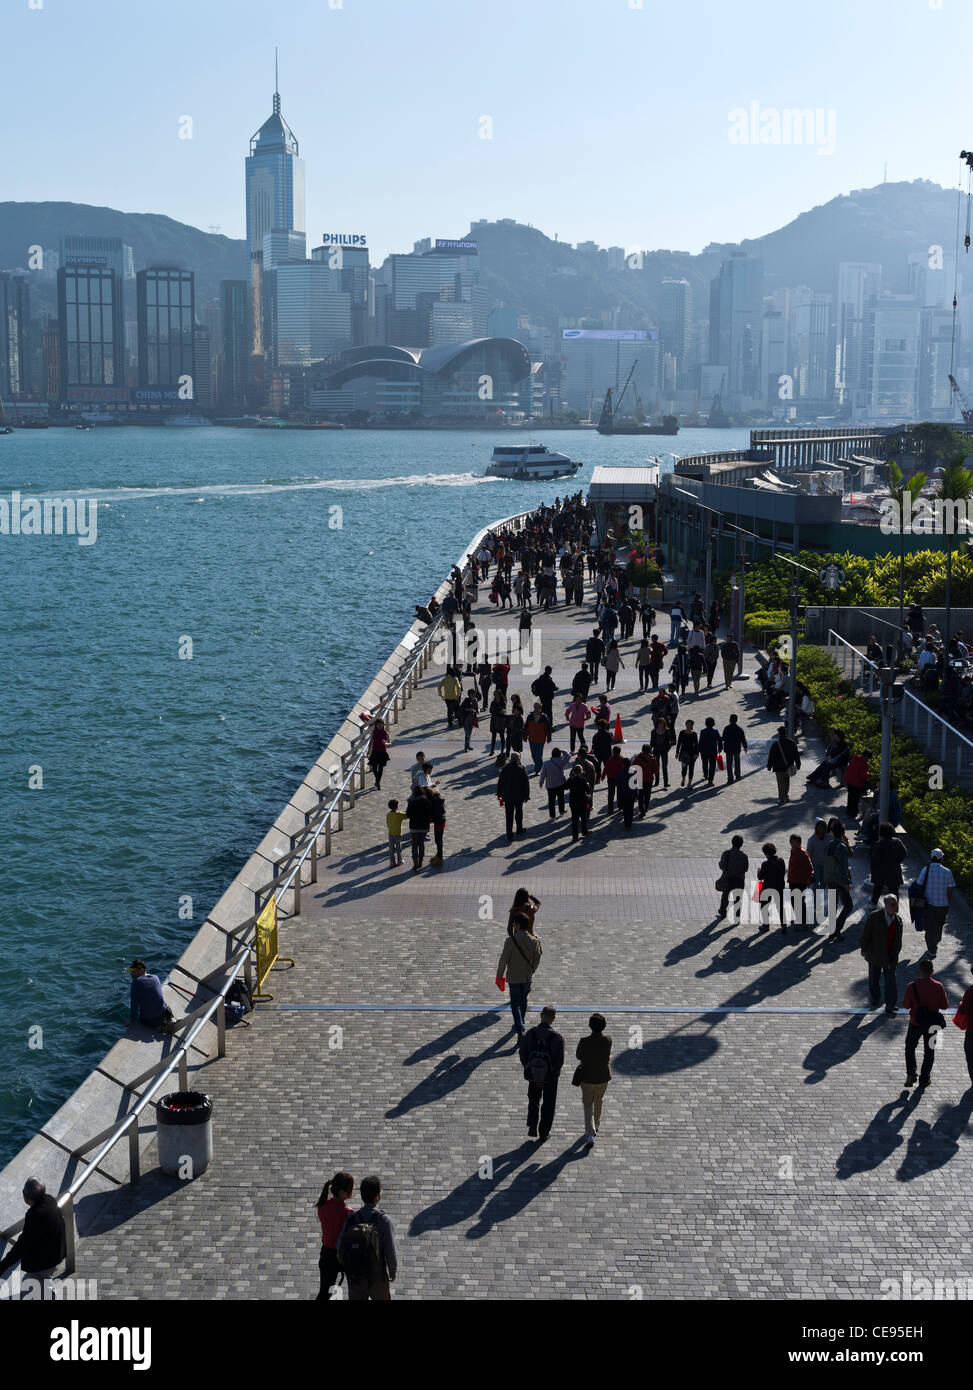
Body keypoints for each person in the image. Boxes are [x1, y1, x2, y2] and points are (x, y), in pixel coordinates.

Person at [0, 1179, 66, 1297]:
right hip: (57, 1251)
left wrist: (3, 1266)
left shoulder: (35, 1215)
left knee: (38, 1285)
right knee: (32, 1286)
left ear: (27, 1198)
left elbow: (22, 1245)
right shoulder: (50, 1200)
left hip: (45, 1261)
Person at [337, 1175, 397, 1301]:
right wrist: (392, 1270)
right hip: (377, 1276)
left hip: (356, 1277)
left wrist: (347, 1267)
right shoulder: (384, 1220)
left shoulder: (351, 1218)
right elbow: (390, 1250)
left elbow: (339, 1245)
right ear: (377, 1196)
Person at [519, 1005, 564, 1141]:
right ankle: (544, 1132)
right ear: (553, 1019)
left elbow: (523, 1053)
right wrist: (555, 1073)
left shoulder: (530, 1034)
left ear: (541, 1016)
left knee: (533, 1100)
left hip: (533, 1075)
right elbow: (559, 1060)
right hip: (550, 1077)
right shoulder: (557, 1038)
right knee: (548, 1104)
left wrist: (528, 1067)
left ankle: (532, 1125)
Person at [902, 960, 949, 1089]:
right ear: (932, 971)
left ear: (920, 971)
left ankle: (911, 1073)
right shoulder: (939, 986)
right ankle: (925, 1078)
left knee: (910, 1048)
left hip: (915, 1023)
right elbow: (944, 1006)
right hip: (933, 1025)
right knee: (930, 1051)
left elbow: (906, 1005)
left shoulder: (911, 986)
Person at [496, 911, 541, 1035]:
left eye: (514, 924)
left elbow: (503, 960)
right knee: (523, 1000)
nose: (514, 926)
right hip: (527, 977)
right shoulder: (534, 941)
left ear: (518, 925)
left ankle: (520, 1027)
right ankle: (522, 1021)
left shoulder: (510, 941)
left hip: (514, 978)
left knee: (514, 1004)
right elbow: (537, 958)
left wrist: (499, 976)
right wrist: (532, 969)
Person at [859, 894, 903, 1016]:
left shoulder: (898, 921)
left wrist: (895, 954)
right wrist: (864, 949)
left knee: (891, 981)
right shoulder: (874, 917)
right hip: (875, 954)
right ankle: (875, 998)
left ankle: (890, 1004)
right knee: (874, 978)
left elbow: (898, 941)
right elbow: (866, 934)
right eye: (893, 904)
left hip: (890, 956)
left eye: (897, 903)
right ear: (886, 905)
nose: (896, 906)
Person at [575, 1013, 612, 1148]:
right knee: (599, 1100)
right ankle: (596, 1123)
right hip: (603, 1077)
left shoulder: (584, 1041)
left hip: (587, 1077)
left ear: (590, 1026)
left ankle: (589, 1134)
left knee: (587, 1104)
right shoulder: (608, 1040)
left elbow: (578, 1055)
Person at [315, 1171, 354, 1301]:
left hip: (326, 1254)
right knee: (356, 1290)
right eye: (351, 1189)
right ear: (342, 1192)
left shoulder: (322, 1206)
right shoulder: (348, 1213)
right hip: (344, 1256)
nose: (353, 1191)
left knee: (324, 1293)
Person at [914, 847, 955, 960]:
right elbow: (950, 889)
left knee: (929, 927)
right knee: (939, 925)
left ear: (931, 858)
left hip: (928, 904)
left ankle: (931, 948)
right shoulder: (947, 872)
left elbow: (919, 883)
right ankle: (935, 943)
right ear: (941, 858)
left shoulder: (925, 870)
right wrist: (948, 902)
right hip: (943, 905)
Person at [823, 820, 853, 940]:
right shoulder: (841, 847)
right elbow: (842, 867)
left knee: (832, 905)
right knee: (848, 905)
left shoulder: (830, 844)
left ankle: (832, 930)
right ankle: (837, 929)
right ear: (843, 832)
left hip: (830, 879)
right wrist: (846, 883)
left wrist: (846, 843)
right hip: (839, 881)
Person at [868, 822, 907, 905]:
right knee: (894, 893)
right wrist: (897, 862)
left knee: (877, 889)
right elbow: (904, 852)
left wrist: (874, 873)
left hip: (881, 873)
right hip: (894, 872)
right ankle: (894, 910)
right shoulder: (897, 841)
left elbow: (874, 860)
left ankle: (873, 904)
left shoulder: (879, 844)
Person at [497, 751, 530, 841]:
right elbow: (526, 783)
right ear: (518, 759)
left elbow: (500, 782)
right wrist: (526, 795)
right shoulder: (522, 769)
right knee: (519, 813)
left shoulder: (504, 768)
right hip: (519, 796)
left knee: (509, 815)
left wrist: (499, 794)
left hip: (507, 796)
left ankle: (509, 833)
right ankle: (519, 829)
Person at [128, 959, 168, 1029]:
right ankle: (168, 1020)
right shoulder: (156, 977)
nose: (131, 974)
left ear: (141, 970)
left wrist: (132, 1020)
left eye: (133, 971)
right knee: (164, 1006)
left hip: (149, 1020)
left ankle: (160, 1027)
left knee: (144, 1018)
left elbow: (134, 1005)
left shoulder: (136, 982)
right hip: (163, 1013)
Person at [716, 834, 748, 921]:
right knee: (738, 897)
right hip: (739, 880)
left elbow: (721, 865)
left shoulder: (726, 853)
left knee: (725, 895)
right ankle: (737, 914)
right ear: (741, 844)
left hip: (728, 878)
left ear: (732, 843)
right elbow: (746, 868)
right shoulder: (744, 856)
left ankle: (723, 911)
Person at [786, 833, 815, 929]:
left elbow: (810, 867)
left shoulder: (803, 853)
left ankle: (803, 923)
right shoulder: (793, 851)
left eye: (795, 842)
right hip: (793, 880)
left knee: (799, 902)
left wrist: (808, 879)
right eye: (791, 842)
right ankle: (799, 919)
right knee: (794, 901)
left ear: (799, 843)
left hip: (800, 881)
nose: (793, 844)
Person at [766, 725, 800, 804]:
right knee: (786, 782)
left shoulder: (776, 744)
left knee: (780, 783)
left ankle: (782, 799)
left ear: (779, 734)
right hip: (788, 766)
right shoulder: (792, 743)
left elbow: (771, 756)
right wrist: (798, 764)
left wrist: (769, 766)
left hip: (778, 767)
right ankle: (786, 796)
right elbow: (796, 755)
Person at [757, 843, 786, 932]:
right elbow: (783, 873)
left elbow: (761, 877)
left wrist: (758, 872)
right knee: (780, 906)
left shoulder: (765, 864)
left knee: (764, 905)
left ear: (766, 853)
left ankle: (766, 925)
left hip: (768, 887)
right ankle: (784, 924)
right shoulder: (781, 861)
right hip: (779, 886)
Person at [406, 785, 433, 871]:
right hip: (424, 826)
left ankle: (415, 863)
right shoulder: (426, 801)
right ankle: (420, 862)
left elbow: (408, 814)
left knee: (414, 845)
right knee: (421, 844)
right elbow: (430, 813)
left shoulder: (411, 802)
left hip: (414, 826)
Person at [539, 746, 571, 818]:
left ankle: (552, 816)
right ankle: (561, 811)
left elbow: (542, 774)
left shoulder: (546, 763)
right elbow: (568, 756)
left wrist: (541, 783)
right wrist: (563, 750)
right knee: (561, 798)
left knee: (551, 801)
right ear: (559, 754)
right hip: (560, 783)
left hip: (550, 785)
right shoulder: (561, 761)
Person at [954, 983, 973, 1088]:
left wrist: (961, 1004)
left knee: (971, 1058)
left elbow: (964, 1009)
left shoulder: (970, 992)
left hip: (971, 1031)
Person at [632, 743, 658, 817]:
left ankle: (642, 810)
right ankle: (646, 808)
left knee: (640, 796)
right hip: (649, 779)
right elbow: (656, 770)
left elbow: (633, 767)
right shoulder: (652, 758)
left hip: (640, 779)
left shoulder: (638, 757)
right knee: (647, 795)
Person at [721, 713, 748, 784]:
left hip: (728, 749)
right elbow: (743, 739)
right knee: (737, 762)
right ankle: (738, 775)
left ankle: (730, 778)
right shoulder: (739, 729)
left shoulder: (727, 728)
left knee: (729, 764)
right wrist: (745, 747)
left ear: (730, 720)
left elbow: (723, 738)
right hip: (736, 748)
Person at [525, 703, 552, 774]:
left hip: (541, 739)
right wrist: (525, 735)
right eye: (535, 707)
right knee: (533, 755)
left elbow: (548, 729)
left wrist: (549, 737)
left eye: (537, 707)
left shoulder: (544, 718)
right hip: (531, 739)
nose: (536, 709)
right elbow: (526, 727)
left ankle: (537, 770)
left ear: (540, 708)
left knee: (538, 755)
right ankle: (539, 765)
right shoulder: (530, 716)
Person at [568, 764, 592, 840]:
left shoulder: (570, 780)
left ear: (574, 772)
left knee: (574, 819)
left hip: (573, 802)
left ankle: (575, 836)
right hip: (582, 802)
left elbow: (565, 787)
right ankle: (584, 832)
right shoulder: (583, 780)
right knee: (583, 817)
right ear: (581, 772)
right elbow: (588, 790)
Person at [649, 717, 674, 789]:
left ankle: (665, 783)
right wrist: (650, 751)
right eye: (659, 723)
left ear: (664, 724)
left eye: (662, 723)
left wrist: (667, 749)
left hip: (664, 751)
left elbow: (670, 742)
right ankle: (657, 782)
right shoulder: (653, 731)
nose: (660, 725)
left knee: (664, 767)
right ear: (657, 724)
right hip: (656, 750)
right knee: (656, 766)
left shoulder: (667, 731)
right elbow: (652, 742)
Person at [844, 749, 870, 819]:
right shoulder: (864, 763)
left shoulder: (855, 758)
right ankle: (853, 813)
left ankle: (848, 810)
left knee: (850, 796)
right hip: (856, 783)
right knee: (855, 799)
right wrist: (868, 774)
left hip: (849, 780)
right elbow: (863, 776)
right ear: (867, 757)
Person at [426, 779, 446, 866]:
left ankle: (440, 858)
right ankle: (438, 855)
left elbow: (434, 813)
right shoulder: (437, 798)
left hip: (439, 822)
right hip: (440, 821)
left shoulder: (433, 801)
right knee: (438, 840)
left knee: (438, 840)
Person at [367, 718, 391, 789]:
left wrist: (385, 743)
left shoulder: (385, 732)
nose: (379, 726)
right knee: (374, 768)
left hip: (382, 752)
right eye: (378, 724)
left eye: (381, 724)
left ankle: (378, 783)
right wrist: (369, 751)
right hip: (374, 752)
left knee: (380, 768)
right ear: (376, 725)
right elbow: (371, 742)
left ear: (383, 725)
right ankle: (377, 781)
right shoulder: (373, 732)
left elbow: (389, 743)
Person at [698, 717, 722, 785]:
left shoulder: (702, 731)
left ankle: (705, 775)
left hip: (704, 751)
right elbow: (719, 740)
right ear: (713, 724)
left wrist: (698, 750)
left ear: (706, 723)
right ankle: (710, 780)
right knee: (712, 766)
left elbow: (700, 741)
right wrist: (720, 748)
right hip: (713, 751)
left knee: (704, 764)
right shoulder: (715, 731)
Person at [616, 757, 637, 829]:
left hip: (623, 794)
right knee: (631, 809)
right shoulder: (634, 772)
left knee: (625, 810)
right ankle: (630, 824)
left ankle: (626, 824)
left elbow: (618, 783)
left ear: (623, 764)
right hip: (631, 793)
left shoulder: (620, 772)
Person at [386, 799, 405, 869]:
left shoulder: (388, 814)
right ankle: (399, 861)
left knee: (391, 848)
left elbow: (388, 823)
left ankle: (392, 862)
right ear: (397, 806)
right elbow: (407, 815)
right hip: (397, 833)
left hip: (390, 833)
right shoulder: (399, 814)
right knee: (398, 848)